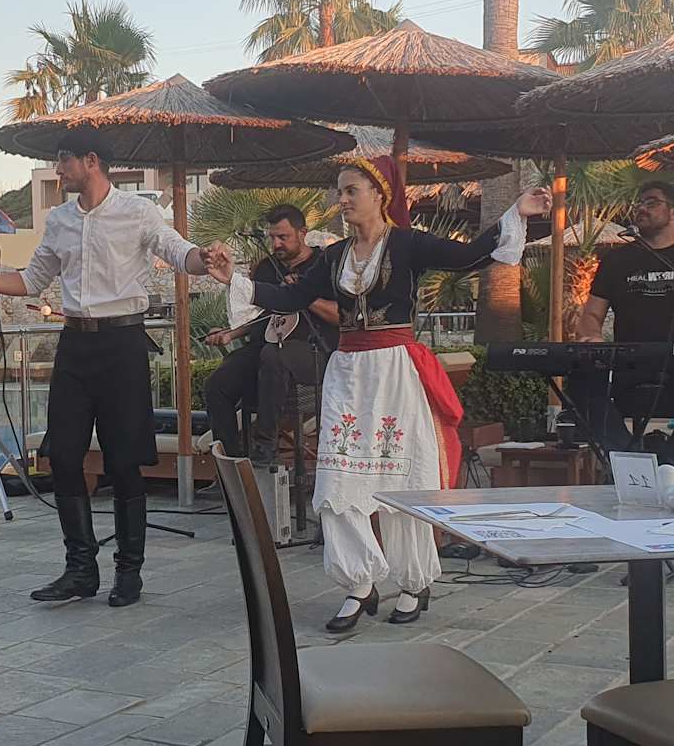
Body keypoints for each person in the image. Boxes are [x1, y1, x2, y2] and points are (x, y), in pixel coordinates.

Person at [209, 158, 550, 632]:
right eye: (340, 191)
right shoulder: (333, 257)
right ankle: (359, 583)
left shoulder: (408, 244)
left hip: (394, 371)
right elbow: (288, 299)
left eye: (351, 190)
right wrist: (234, 278)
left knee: (401, 481)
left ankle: (412, 581)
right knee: (338, 484)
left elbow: (470, 256)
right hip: (348, 372)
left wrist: (517, 211)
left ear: (379, 193)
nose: (342, 200)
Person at [0, 130, 212, 608]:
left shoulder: (137, 211)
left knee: (123, 461)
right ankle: (80, 569)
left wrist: (205, 258)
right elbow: (31, 280)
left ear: (91, 160)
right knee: (62, 457)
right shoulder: (60, 219)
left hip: (123, 344)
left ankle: (129, 571)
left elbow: (179, 252)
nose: (59, 169)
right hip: (75, 345)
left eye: (64, 160)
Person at [572, 181, 674, 479]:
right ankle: (630, 464)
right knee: (578, 380)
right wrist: (592, 336)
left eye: (651, 202)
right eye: (639, 203)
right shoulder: (616, 261)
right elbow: (591, 315)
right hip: (627, 371)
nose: (641, 208)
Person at [202, 204, 339, 460]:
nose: (276, 244)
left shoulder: (325, 264)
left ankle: (265, 446)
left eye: (283, 237)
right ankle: (231, 459)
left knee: (275, 356)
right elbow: (259, 315)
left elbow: (341, 315)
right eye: (272, 237)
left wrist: (303, 295)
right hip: (265, 346)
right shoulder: (266, 268)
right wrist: (230, 333)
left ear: (302, 233)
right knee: (217, 384)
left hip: (312, 351)